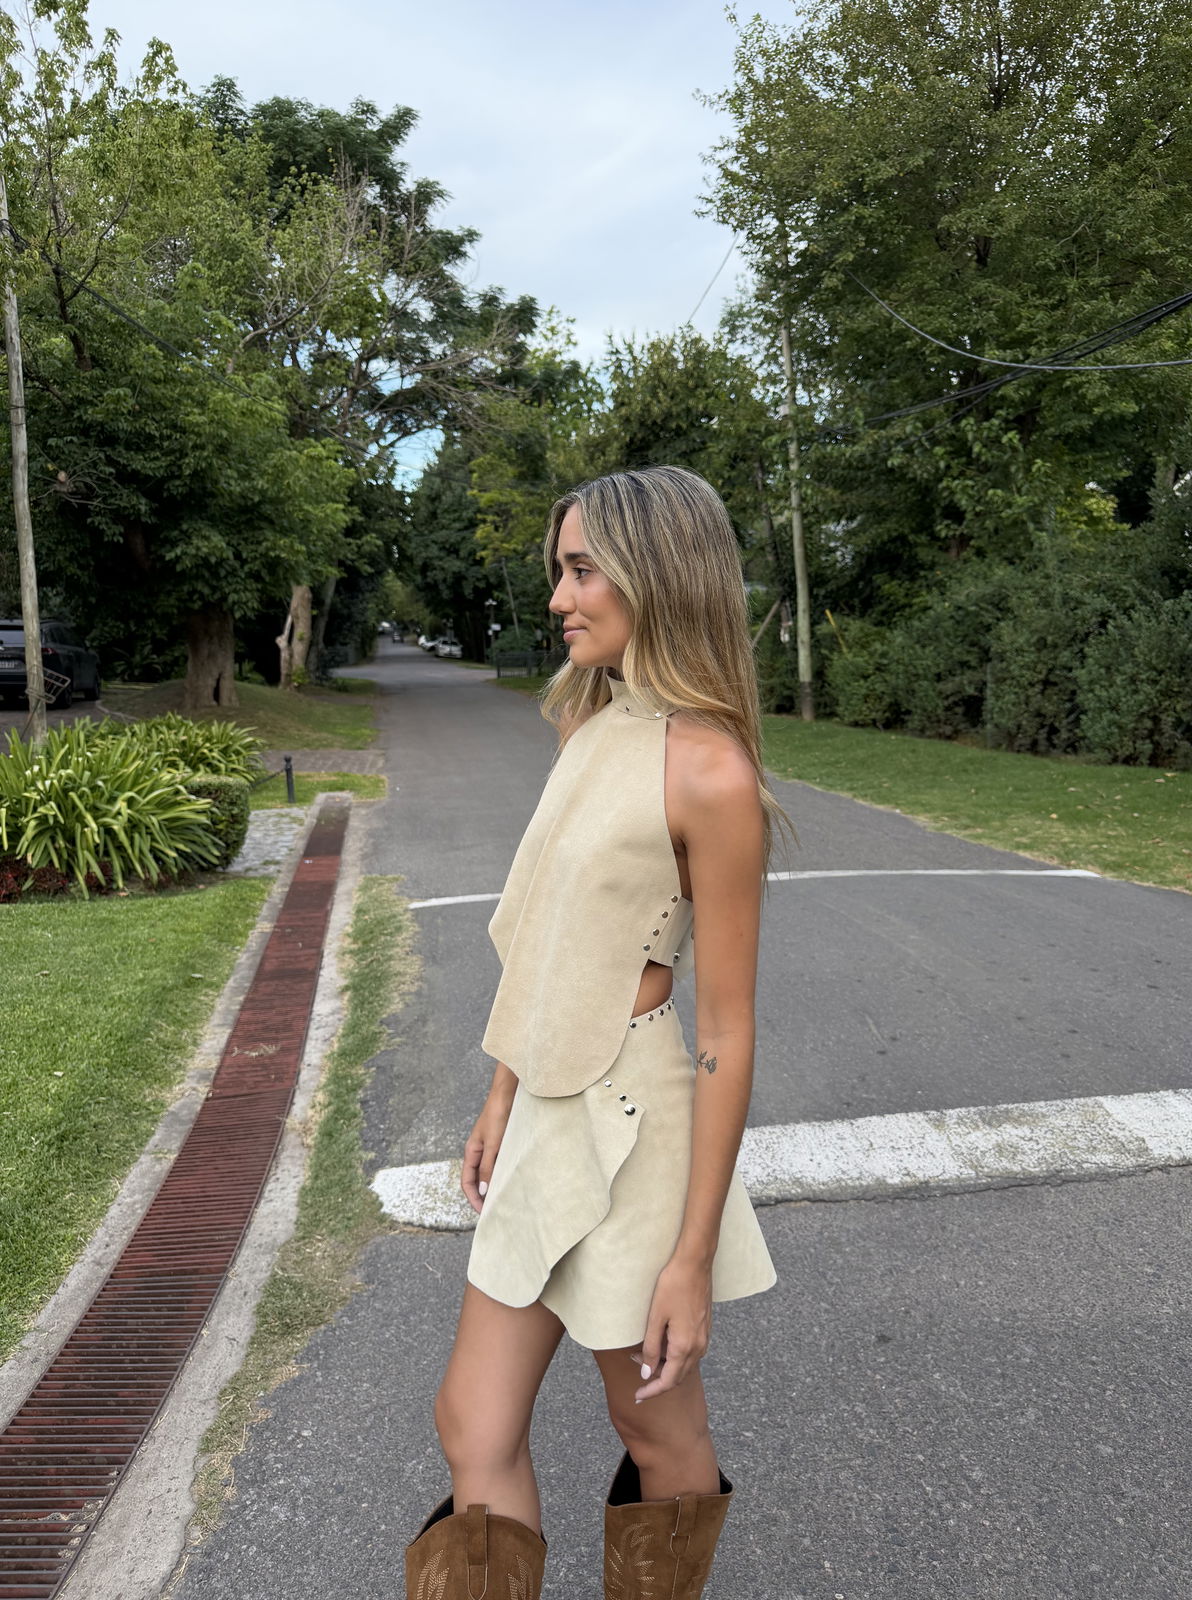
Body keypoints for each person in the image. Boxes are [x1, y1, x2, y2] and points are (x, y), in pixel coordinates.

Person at [405, 465, 788, 1599]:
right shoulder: (590, 722)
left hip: (633, 1130)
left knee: (654, 1424)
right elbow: (549, 940)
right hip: (545, 1109)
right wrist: (501, 1093)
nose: (559, 597)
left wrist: (691, 1258)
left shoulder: (711, 772)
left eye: (581, 570)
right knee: (472, 1421)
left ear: (655, 574)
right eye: (560, 571)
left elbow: (725, 1028)